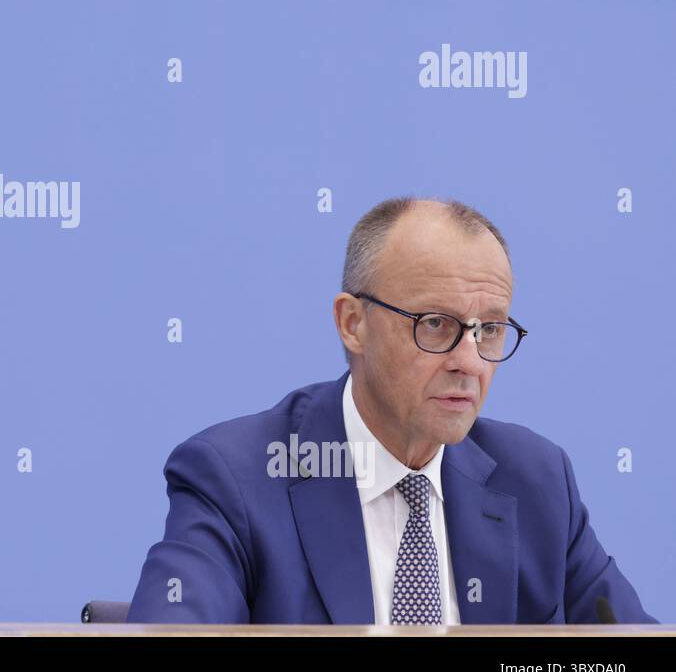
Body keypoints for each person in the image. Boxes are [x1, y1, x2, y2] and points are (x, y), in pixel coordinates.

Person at [128, 197, 656, 624]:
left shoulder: (537, 481)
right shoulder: (237, 477)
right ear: (353, 323)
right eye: (435, 324)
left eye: (490, 330)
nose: (469, 362)